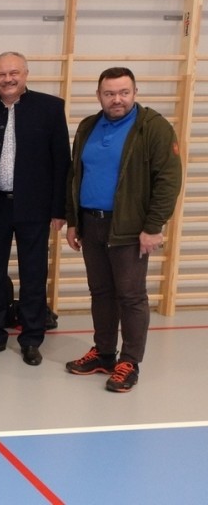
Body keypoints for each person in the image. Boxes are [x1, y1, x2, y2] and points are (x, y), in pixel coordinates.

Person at [64, 67, 181, 392]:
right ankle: (104, 353)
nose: (117, 99)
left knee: (130, 296)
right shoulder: (88, 126)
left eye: (123, 92)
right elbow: (75, 175)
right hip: (91, 222)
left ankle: (129, 361)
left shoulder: (153, 128)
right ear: (99, 95)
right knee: (101, 292)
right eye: (110, 93)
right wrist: (73, 221)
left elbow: (169, 180)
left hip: (129, 227)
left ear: (135, 92)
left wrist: (153, 226)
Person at [0, 52, 70, 366]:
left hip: (35, 207)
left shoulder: (51, 108)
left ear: (26, 73)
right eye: (1, 74)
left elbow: (61, 161)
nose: (7, 79)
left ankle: (32, 338)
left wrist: (60, 208)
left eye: (14, 73)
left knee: (34, 274)